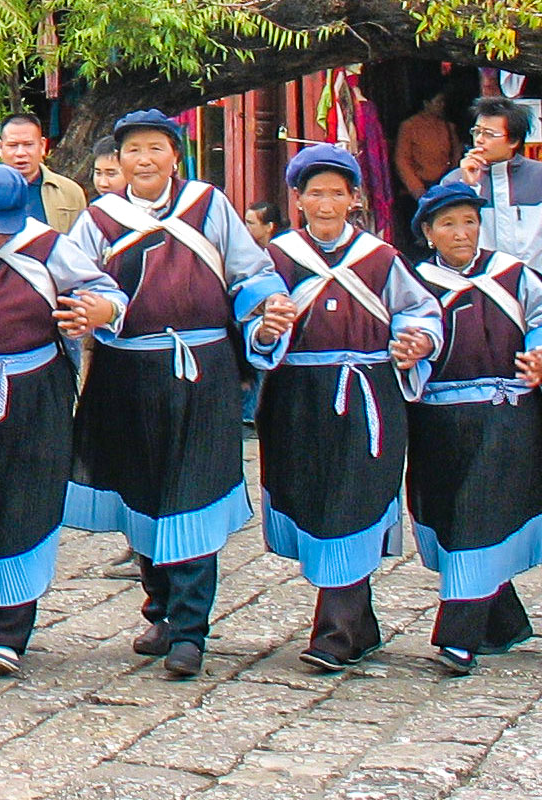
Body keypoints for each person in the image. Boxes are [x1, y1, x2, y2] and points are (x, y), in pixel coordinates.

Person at [62, 109, 292, 680]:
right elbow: (68, 281)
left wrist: (266, 308)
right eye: (133, 150)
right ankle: (160, 607)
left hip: (201, 372)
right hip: (126, 373)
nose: (145, 160)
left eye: (156, 149)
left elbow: (250, 272)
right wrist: (86, 312)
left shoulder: (208, 206)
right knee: (142, 488)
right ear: (118, 160)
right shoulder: (98, 220)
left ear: (175, 155)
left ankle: (191, 629)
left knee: (194, 490)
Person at [0, 164, 123, 678]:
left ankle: (12, 633)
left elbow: (106, 293)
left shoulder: (48, 246)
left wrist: (94, 311)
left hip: (36, 393)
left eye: (5, 224)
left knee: (24, 502)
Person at [253, 144, 439, 674]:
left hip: (367, 393)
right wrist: (266, 328)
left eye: (338, 193)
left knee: (356, 497)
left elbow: (418, 312)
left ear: (354, 199)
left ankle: (333, 632)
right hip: (298, 396)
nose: (327, 203)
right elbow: (252, 317)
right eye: (316, 193)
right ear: (298, 200)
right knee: (312, 494)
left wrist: (416, 342)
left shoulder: (381, 259)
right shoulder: (277, 258)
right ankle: (362, 623)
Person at [402, 181, 542, 676]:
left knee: (477, 517)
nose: (461, 234)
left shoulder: (514, 277)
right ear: (428, 232)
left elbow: (540, 319)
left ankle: (456, 636)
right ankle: (502, 624)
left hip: (504, 417)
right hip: (437, 421)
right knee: (451, 521)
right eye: (448, 224)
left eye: (469, 222)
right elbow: (405, 330)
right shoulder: (415, 284)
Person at [440, 97, 542, 266]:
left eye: (488, 134)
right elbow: (450, 234)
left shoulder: (538, 176)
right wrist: (468, 187)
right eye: (477, 132)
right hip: (478, 283)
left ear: (514, 141)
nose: (479, 139)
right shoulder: (453, 181)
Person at [0, 114, 88, 231]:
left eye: (28, 145)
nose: (20, 153)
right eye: (13, 145)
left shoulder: (70, 192)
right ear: (0, 147)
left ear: (42, 146)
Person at [396, 93, 461, 241]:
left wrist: (451, 182)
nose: (442, 106)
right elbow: (402, 160)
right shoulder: (409, 126)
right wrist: (417, 189)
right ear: (426, 103)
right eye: (438, 102)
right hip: (419, 190)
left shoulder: (448, 127)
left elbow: (456, 155)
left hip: (444, 186)